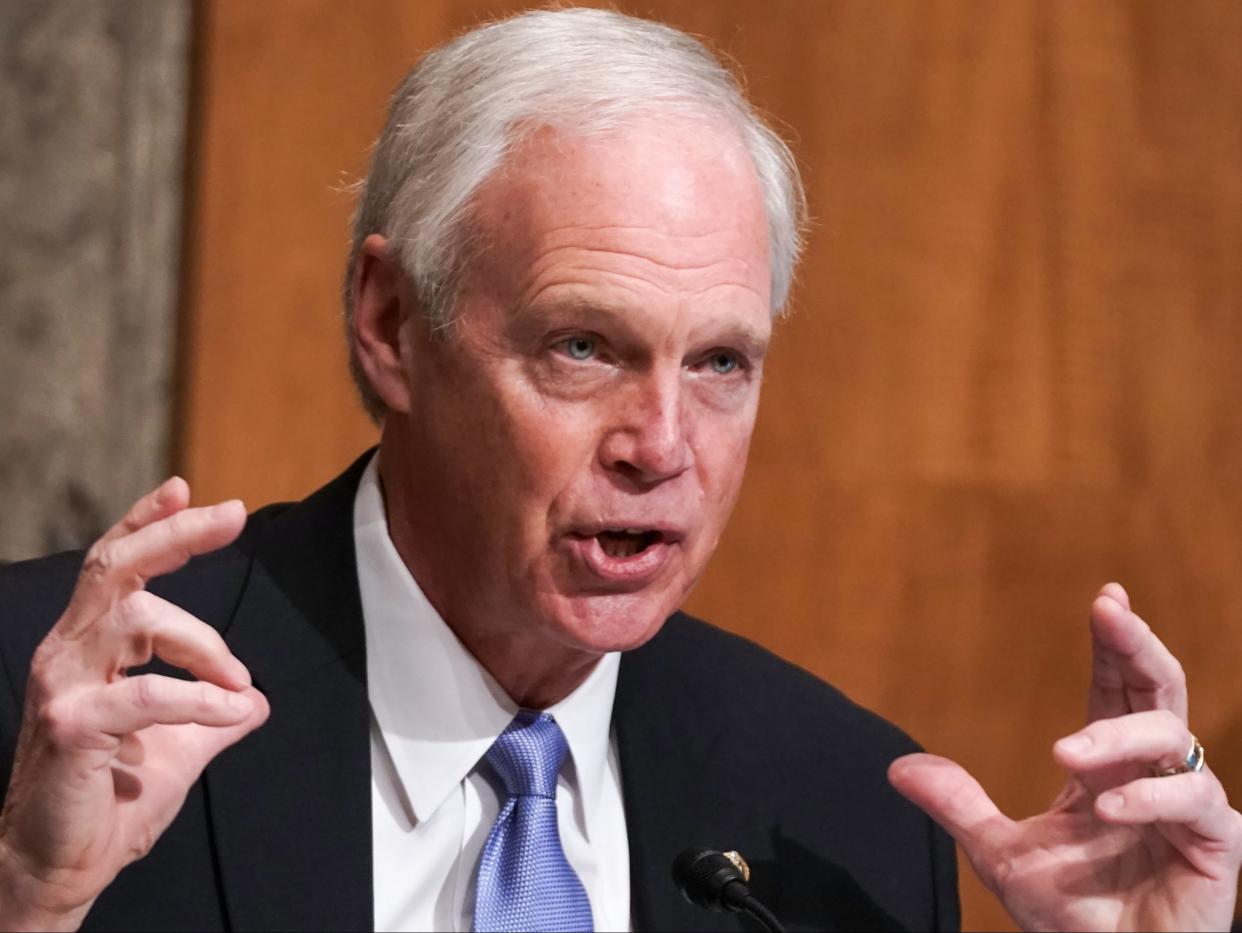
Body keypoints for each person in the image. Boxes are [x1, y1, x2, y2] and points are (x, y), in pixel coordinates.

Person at [0, 8, 1238, 932]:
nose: (662, 447)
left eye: (719, 363)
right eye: (584, 347)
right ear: (390, 325)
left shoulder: (840, 821)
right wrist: (31, 905)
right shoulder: (51, 706)